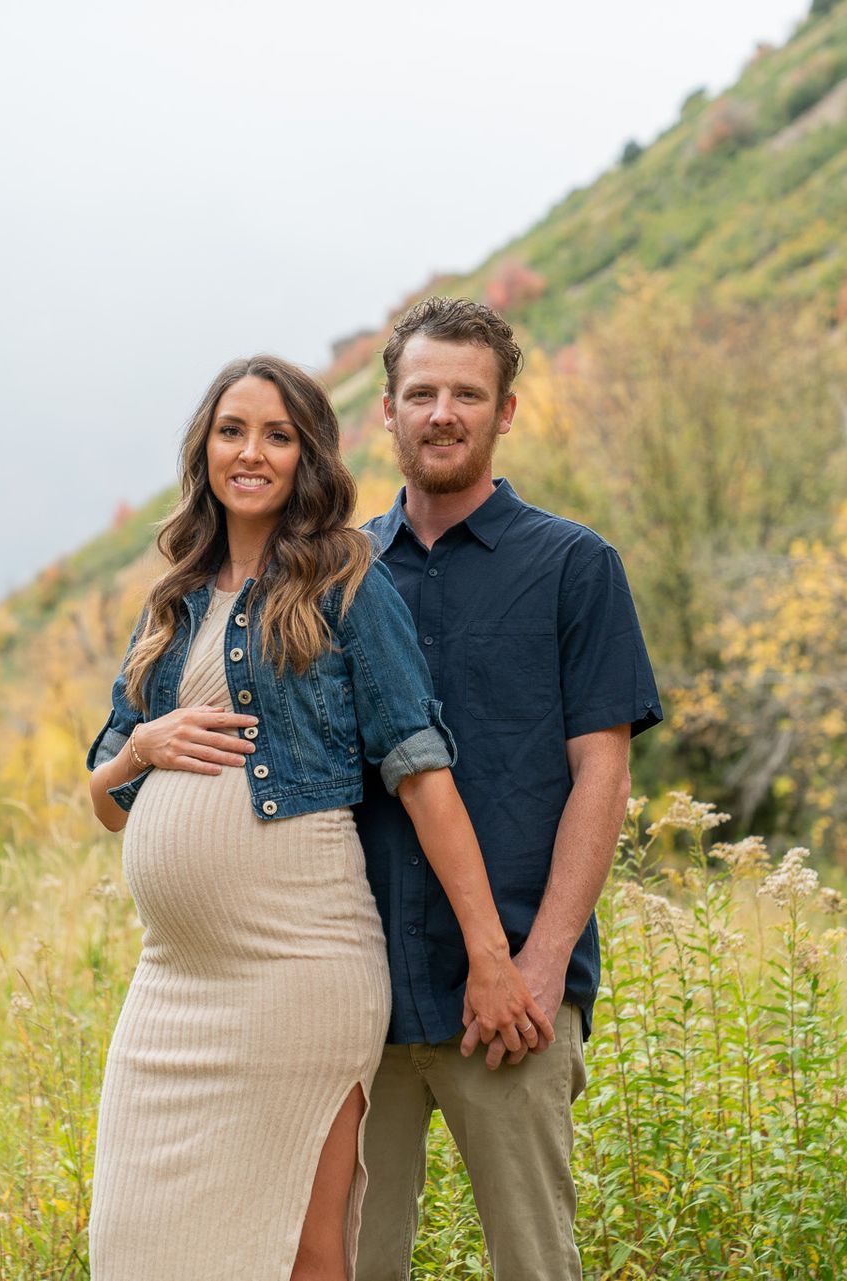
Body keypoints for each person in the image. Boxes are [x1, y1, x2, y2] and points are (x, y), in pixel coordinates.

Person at [84, 354, 553, 1281]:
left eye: (277, 435)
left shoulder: (346, 582)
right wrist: (144, 747)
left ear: (308, 457)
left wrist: (492, 956)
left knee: (307, 1254)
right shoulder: (171, 602)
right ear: (203, 450)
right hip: (175, 983)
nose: (250, 452)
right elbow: (104, 800)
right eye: (231, 431)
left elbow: (422, 773)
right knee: (131, 1246)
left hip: (299, 971)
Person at [353, 298, 663, 1281]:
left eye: (467, 395)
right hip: (356, 994)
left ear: (507, 412)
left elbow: (601, 772)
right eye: (422, 393)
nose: (443, 413)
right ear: (388, 414)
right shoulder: (336, 574)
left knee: (536, 1266)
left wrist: (541, 963)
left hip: (516, 999)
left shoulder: (575, 567)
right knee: (352, 1265)